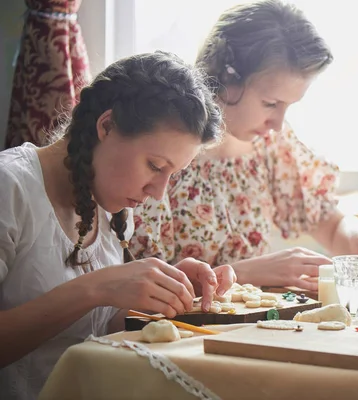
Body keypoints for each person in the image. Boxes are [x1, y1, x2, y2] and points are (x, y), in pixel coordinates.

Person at [0, 51, 236, 400]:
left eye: (173, 174)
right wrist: (96, 287)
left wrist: (160, 291)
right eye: (155, 166)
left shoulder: (109, 203)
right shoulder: (10, 187)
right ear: (106, 126)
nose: (158, 193)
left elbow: (93, 330)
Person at [130, 0, 358, 292]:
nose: (277, 124)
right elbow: (142, 287)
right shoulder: (164, 154)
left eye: (288, 106)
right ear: (227, 76)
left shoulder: (271, 146)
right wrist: (245, 273)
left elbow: (332, 224)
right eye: (270, 104)